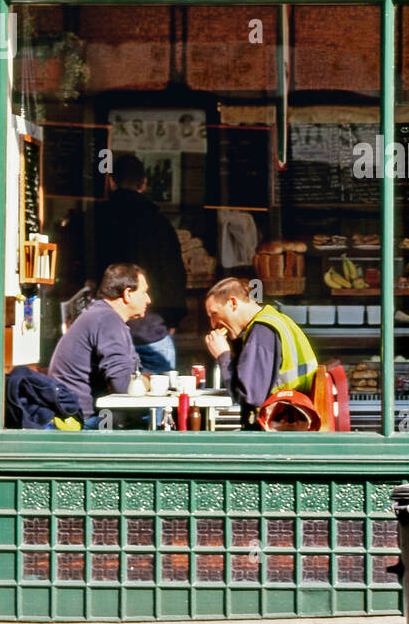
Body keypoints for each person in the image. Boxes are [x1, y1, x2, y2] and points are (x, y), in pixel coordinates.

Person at [89, 153, 185, 373]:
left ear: (112, 181)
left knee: (110, 396)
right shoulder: (159, 223)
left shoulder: (96, 219)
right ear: (143, 183)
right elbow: (173, 274)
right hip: (151, 328)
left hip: (106, 325)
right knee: (158, 397)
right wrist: (172, 318)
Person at [202, 276, 319, 429]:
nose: (212, 324)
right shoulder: (275, 320)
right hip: (289, 421)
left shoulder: (261, 331)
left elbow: (250, 396)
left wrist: (223, 355)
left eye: (214, 314)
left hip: (275, 427)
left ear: (233, 303)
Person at [48, 262, 149, 425]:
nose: (148, 299)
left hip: (79, 414)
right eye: (144, 292)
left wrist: (141, 378)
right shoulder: (107, 320)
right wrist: (148, 381)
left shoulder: (103, 316)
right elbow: (124, 385)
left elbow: (129, 373)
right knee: (155, 419)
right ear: (128, 293)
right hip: (84, 420)